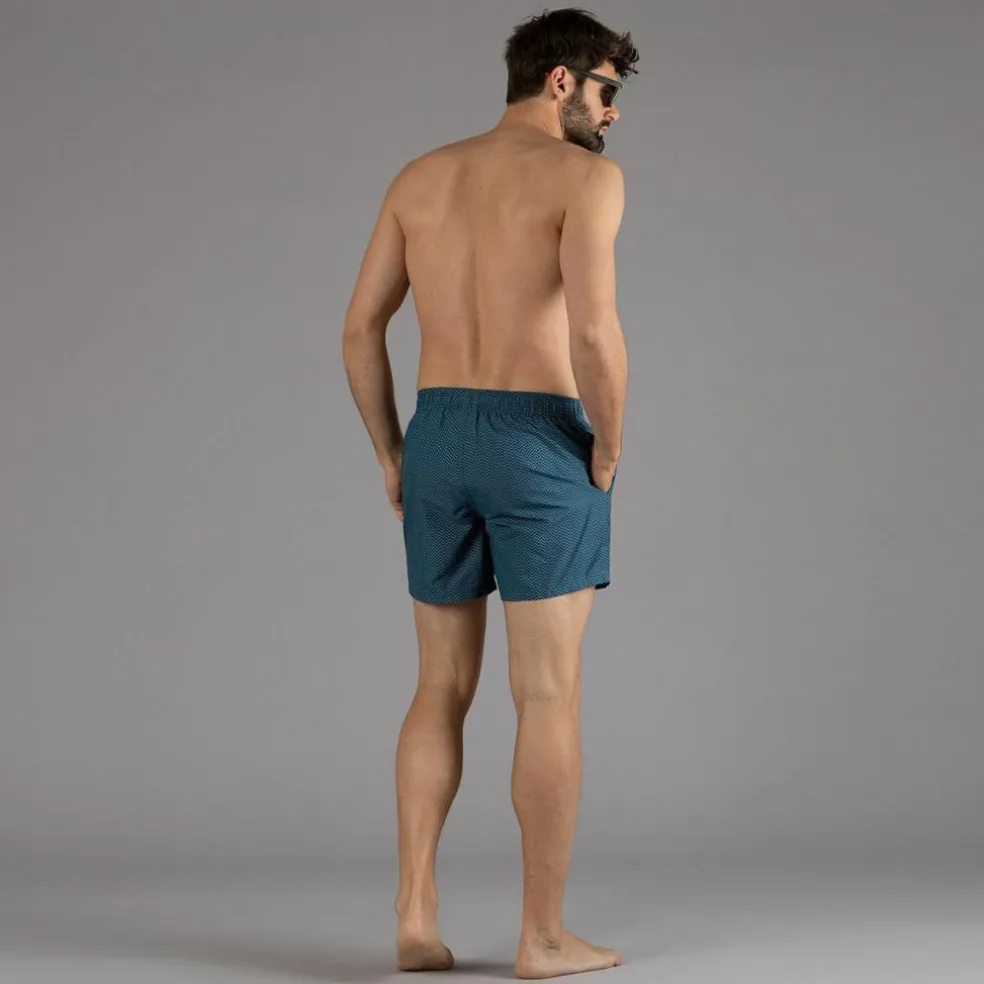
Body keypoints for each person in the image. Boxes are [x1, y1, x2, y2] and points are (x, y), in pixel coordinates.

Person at [342, 8, 637, 979]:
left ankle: (415, 913)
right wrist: (609, 447)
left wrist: (393, 452)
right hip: (538, 438)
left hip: (438, 433)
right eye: (606, 91)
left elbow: (359, 329)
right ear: (560, 81)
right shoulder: (586, 179)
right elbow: (592, 332)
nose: (613, 113)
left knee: (440, 685)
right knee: (546, 692)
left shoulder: (420, 177)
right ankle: (543, 938)